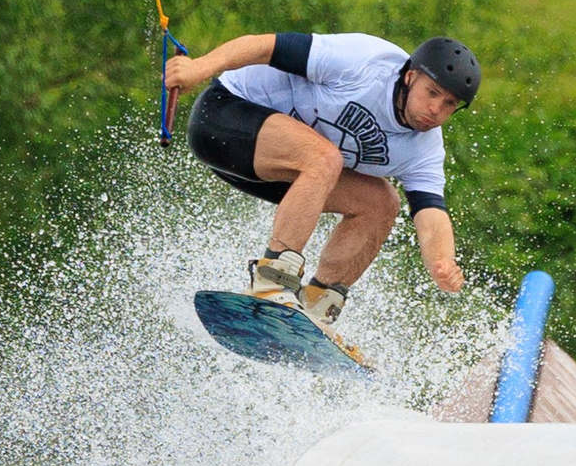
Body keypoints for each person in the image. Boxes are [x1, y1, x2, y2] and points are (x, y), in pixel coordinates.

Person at [164, 32, 473, 356]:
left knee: (381, 203)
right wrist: (200, 67)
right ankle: (271, 281)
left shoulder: (424, 149)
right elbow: (265, 45)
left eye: (449, 103)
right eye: (432, 93)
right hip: (224, 119)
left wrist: (442, 262)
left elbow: (431, 211)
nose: (435, 109)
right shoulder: (364, 62)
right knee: (324, 157)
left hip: (284, 173)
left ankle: (314, 307)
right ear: (410, 77)